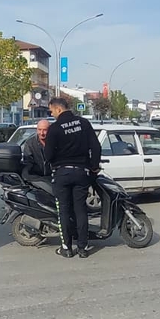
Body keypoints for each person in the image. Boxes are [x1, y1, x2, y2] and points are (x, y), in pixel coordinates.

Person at [44, 97, 101, 259]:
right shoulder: (83, 123)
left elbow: (48, 155)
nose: (52, 114)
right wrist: (94, 166)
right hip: (82, 172)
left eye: (52, 111)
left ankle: (66, 248)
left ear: (59, 109)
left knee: (63, 210)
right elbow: (95, 146)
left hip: (62, 174)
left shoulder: (54, 129)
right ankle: (83, 248)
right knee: (80, 209)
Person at [21, 119, 53, 193]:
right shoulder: (30, 143)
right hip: (37, 179)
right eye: (39, 130)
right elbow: (27, 162)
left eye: (45, 130)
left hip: (53, 178)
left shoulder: (56, 142)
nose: (41, 133)